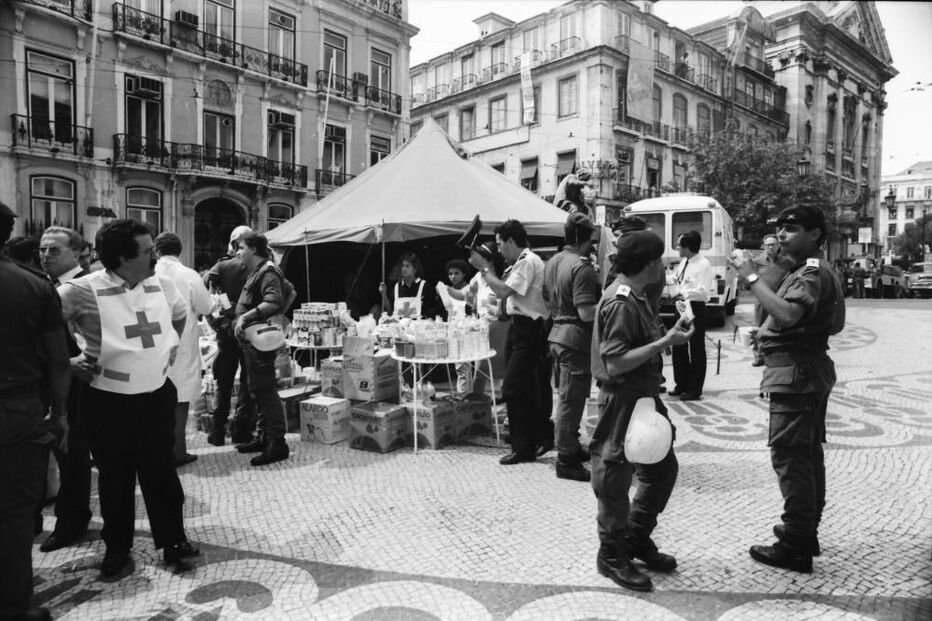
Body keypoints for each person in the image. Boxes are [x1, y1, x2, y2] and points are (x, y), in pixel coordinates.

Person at [58, 219, 199, 579]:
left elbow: (180, 318)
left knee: (162, 472)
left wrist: (161, 353)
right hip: (107, 400)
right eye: (147, 251)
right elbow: (41, 333)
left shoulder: (163, 284)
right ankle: (117, 549)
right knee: (114, 477)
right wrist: (71, 362)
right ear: (122, 258)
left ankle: (173, 539)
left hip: (155, 395)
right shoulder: (79, 291)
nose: (155, 256)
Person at [730, 204, 845, 574]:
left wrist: (750, 279)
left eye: (791, 228)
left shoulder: (810, 272)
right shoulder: (806, 269)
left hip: (796, 375)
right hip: (801, 370)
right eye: (779, 228)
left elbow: (790, 314)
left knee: (792, 456)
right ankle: (804, 529)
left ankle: (795, 543)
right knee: (806, 453)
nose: (781, 234)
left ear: (814, 234)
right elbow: (828, 321)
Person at [591, 229, 693, 592]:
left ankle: (635, 537)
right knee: (614, 480)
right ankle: (612, 554)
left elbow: (643, 342)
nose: (664, 264)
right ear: (649, 263)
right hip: (621, 399)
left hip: (644, 396)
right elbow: (616, 363)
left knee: (662, 469)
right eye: (660, 259)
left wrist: (671, 331)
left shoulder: (637, 296)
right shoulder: (620, 301)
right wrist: (666, 342)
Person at [1, 202, 70, 621]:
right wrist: (60, 414)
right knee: (12, 513)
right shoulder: (32, 285)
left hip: (17, 409)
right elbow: (59, 361)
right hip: (17, 412)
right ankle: (12, 606)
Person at [469, 219, 552, 465]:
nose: (499, 249)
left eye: (500, 244)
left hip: (530, 330)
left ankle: (530, 441)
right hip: (518, 329)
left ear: (511, 241)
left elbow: (504, 291)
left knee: (512, 388)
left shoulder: (528, 261)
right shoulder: (518, 262)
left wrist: (485, 268)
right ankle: (532, 440)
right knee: (525, 388)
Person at [36, 226, 93, 554]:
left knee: (73, 454)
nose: (45, 256)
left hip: (81, 385)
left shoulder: (88, 286)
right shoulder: (42, 285)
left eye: (54, 250)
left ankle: (72, 520)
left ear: (77, 252)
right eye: (43, 250)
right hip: (49, 382)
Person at [542, 213, 600, 482]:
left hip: (556, 335)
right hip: (575, 339)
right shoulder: (582, 266)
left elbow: (546, 299)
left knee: (565, 396)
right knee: (570, 401)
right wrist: (611, 305)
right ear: (584, 237)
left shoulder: (553, 262)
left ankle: (572, 446)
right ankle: (566, 459)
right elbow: (587, 312)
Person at [155, 232, 214, 467]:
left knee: (152, 399)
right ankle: (177, 450)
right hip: (180, 342)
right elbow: (205, 305)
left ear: (157, 251)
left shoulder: (148, 272)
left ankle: (155, 450)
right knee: (179, 399)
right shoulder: (188, 274)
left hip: (150, 341)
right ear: (180, 250)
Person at [232, 232, 291, 467]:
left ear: (254, 249)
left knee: (265, 390)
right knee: (256, 388)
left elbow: (274, 300)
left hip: (260, 340)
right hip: (252, 341)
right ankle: (264, 437)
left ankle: (277, 443)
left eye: (241, 247)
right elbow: (291, 289)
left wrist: (246, 316)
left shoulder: (267, 271)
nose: (237, 252)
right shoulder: (260, 271)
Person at [204, 226, 256, 446]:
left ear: (233, 244)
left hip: (227, 331)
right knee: (247, 382)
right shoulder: (259, 265)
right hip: (251, 330)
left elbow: (207, 286)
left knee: (223, 382)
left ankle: (217, 431)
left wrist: (224, 309)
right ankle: (241, 431)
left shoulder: (223, 266)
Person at [669, 230, 713, 401]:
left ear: (688, 247)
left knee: (696, 348)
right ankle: (681, 383)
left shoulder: (704, 264)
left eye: (680, 245)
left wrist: (682, 291)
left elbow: (703, 292)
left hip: (695, 307)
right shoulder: (684, 261)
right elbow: (676, 279)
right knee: (678, 345)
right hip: (682, 307)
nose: (677, 248)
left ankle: (694, 388)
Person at [750, 235, 794, 366]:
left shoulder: (787, 262)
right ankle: (759, 357)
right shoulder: (757, 262)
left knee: (781, 329)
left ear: (778, 246)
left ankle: (780, 356)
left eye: (773, 244)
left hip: (780, 301)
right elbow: (750, 280)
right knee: (759, 329)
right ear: (763, 246)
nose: (770, 247)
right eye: (768, 244)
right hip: (762, 301)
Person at [379, 252, 444, 319]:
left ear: (415, 269)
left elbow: (434, 308)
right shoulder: (397, 287)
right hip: (399, 327)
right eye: (402, 266)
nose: (404, 269)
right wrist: (384, 295)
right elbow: (391, 311)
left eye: (407, 266)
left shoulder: (424, 286)